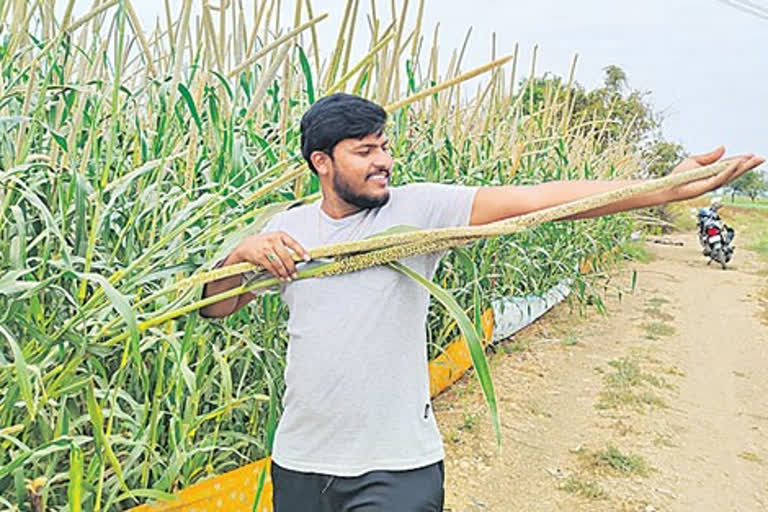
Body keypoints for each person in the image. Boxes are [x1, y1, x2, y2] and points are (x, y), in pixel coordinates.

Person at [199, 93, 763, 511]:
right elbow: (214, 307)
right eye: (364, 150)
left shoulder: (419, 211)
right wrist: (240, 257)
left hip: (395, 468)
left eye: (385, 146)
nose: (383, 161)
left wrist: (660, 188)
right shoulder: (286, 231)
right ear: (322, 162)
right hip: (300, 462)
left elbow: (539, 200)